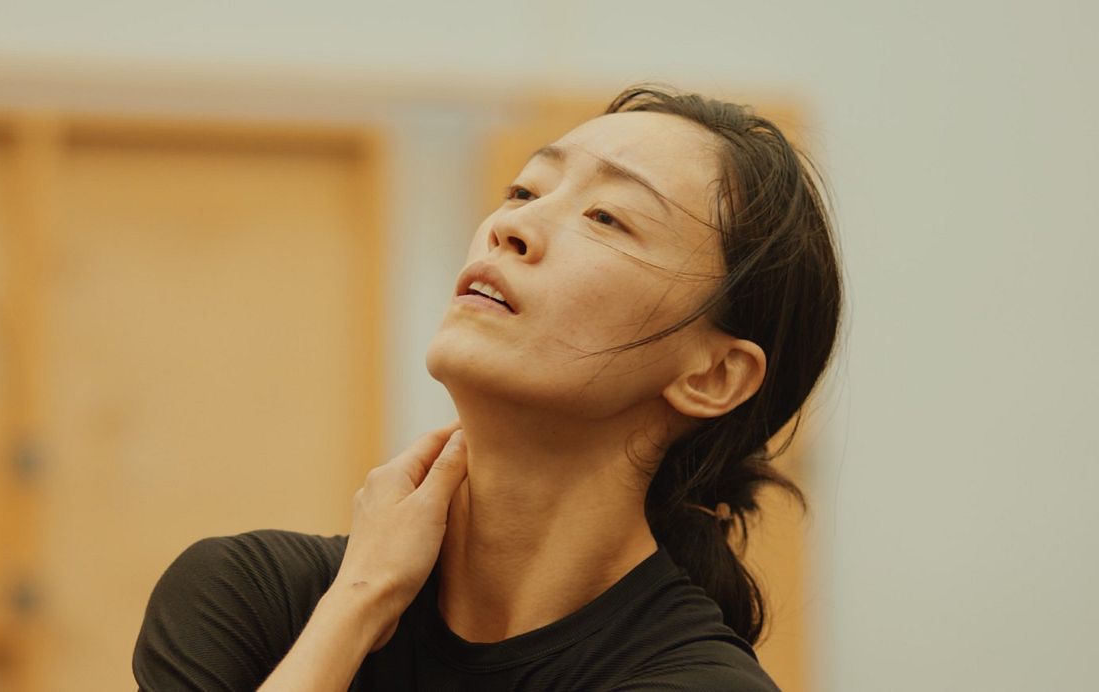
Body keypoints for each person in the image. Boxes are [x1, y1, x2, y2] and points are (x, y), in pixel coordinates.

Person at [133, 85, 842, 691]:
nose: (512, 226)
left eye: (606, 217)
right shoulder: (252, 596)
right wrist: (357, 603)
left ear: (713, 376)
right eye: (526, 189)